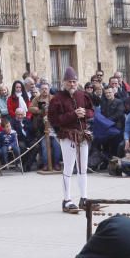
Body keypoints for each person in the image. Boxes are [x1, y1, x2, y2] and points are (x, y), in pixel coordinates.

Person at [48, 67, 96, 214]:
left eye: (74, 81)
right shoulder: (57, 98)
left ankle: (84, 199)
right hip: (67, 135)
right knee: (68, 169)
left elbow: (92, 111)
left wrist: (84, 113)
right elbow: (54, 120)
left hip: (82, 134)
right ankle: (67, 200)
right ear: (64, 82)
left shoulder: (83, 95)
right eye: (69, 82)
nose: (72, 84)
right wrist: (73, 115)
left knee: (83, 169)